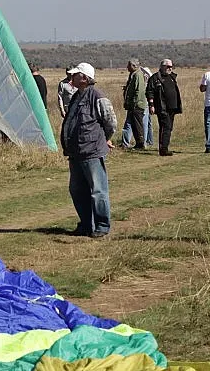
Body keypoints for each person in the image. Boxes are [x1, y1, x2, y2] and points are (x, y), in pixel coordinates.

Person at [60, 62, 117, 238]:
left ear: (84, 78)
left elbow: (110, 122)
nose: (72, 77)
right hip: (76, 152)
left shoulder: (97, 96)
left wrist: (104, 138)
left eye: (75, 74)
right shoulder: (77, 95)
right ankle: (86, 224)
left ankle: (101, 226)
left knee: (97, 190)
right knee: (77, 190)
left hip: (92, 151)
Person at [147, 59, 182, 156]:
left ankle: (165, 147)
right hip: (162, 107)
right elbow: (149, 92)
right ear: (162, 66)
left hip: (172, 107)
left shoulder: (172, 77)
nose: (170, 69)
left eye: (171, 67)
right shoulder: (155, 78)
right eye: (168, 67)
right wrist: (151, 105)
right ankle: (163, 149)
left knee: (169, 127)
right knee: (165, 127)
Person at [121, 58, 147, 149]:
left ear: (134, 66)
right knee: (134, 125)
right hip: (133, 105)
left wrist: (135, 103)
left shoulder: (138, 75)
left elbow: (139, 91)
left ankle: (141, 144)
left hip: (137, 105)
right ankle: (138, 143)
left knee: (138, 125)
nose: (127, 67)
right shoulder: (133, 74)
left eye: (129, 65)